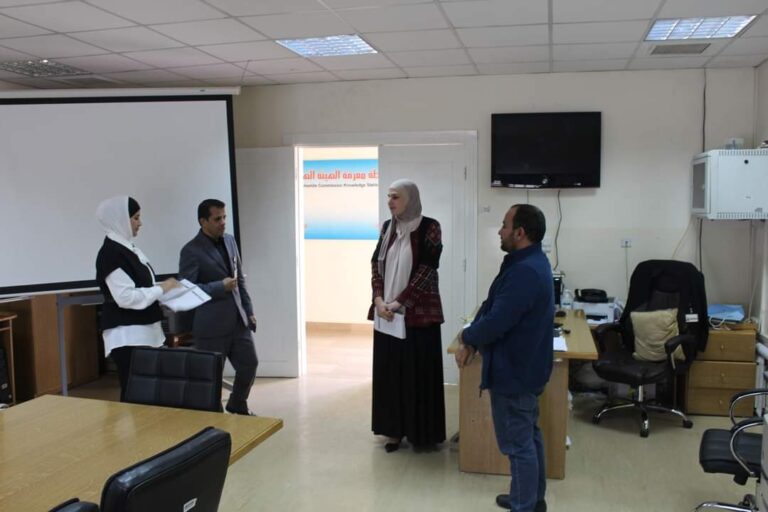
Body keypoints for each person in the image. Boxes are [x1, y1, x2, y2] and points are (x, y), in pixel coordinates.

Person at [455, 204, 554, 512]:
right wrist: (472, 338)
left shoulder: (525, 271)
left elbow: (499, 320)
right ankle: (531, 498)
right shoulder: (526, 262)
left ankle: (524, 505)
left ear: (520, 232)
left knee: (519, 444)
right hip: (524, 369)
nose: (500, 231)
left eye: (504, 225)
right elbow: (492, 304)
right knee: (529, 436)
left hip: (515, 372)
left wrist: (467, 338)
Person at [368, 179, 446, 452]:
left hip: (418, 316)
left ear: (410, 199)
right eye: (389, 197)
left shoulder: (430, 227)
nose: (390, 202)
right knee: (390, 374)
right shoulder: (387, 228)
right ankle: (392, 431)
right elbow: (376, 263)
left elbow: (427, 269)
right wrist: (379, 300)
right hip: (387, 314)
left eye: (396, 197)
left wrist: (399, 302)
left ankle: (421, 434)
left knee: (418, 374)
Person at [95, 196, 179, 401]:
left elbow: (143, 288)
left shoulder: (127, 248)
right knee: (137, 397)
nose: (140, 223)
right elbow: (126, 297)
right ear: (120, 219)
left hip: (144, 332)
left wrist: (166, 291)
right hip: (129, 336)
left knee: (150, 396)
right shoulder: (111, 253)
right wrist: (161, 289)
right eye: (135, 218)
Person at [179, 199, 258, 416]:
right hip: (211, 326)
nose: (223, 222)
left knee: (250, 365)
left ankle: (237, 403)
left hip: (238, 321)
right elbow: (187, 290)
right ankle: (215, 418)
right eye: (217, 219)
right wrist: (219, 287)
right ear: (203, 221)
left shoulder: (230, 240)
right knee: (211, 377)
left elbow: (239, 279)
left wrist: (249, 310)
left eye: (224, 217)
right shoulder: (191, 250)